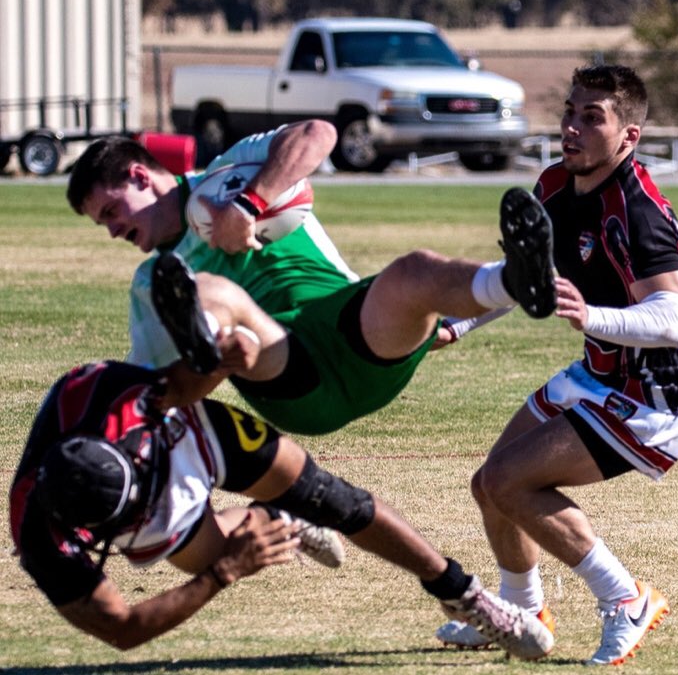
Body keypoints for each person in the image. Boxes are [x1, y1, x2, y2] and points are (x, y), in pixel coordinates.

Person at [8, 303, 554, 658]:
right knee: (197, 558)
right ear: (92, 532)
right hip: (143, 466)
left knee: (332, 498)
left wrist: (225, 363)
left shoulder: (103, 394)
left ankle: (466, 596)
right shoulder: (42, 540)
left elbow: (183, 384)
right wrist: (222, 573)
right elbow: (121, 628)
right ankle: (277, 521)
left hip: (181, 431)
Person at [436, 64, 678, 666]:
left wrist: (593, 318)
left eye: (593, 117)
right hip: (601, 374)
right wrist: (459, 321)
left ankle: (626, 599)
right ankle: (521, 612)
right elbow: (525, 281)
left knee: (511, 481)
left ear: (629, 137)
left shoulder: (639, 210)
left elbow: (673, 319)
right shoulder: (555, 185)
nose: (572, 127)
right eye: (569, 112)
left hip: (654, 394)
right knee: (490, 484)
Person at [66, 121, 555, 438]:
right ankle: (215, 337)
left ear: (139, 175)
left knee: (412, 270)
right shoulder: (155, 279)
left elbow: (318, 133)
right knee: (214, 295)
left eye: (110, 211)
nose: (112, 231)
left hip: (352, 332)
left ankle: (516, 281)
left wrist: (249, 203)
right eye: (101, 224)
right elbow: (157, 390)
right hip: (287, 373)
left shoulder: (233, 168)